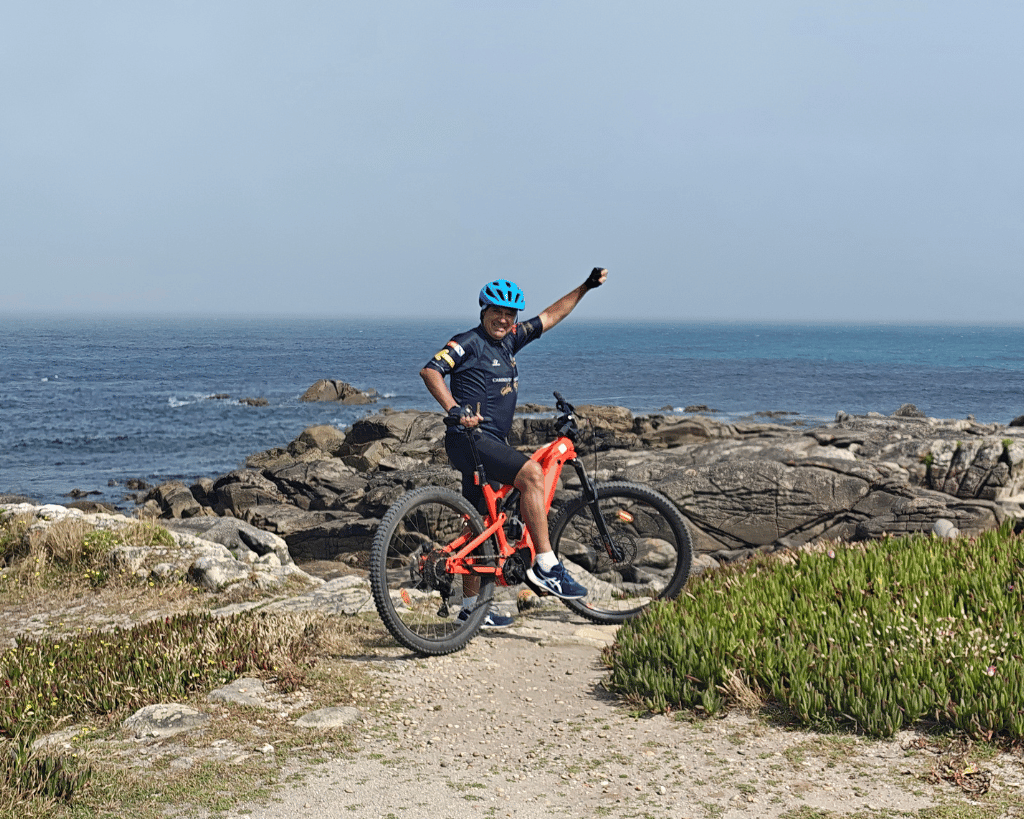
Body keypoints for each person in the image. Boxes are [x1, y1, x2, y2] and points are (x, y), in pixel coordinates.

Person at [420, 267, 608, 628]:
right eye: (497, 312)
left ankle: (471, 610)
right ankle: (547, 566)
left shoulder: (510, 340)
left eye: (509, 314)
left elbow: (551, 315)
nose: (503, 319)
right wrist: (454, 409)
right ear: (484, 311)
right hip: (470, 440)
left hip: (487, 445)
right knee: (533, 475)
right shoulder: (468, 342)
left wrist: (585, 286)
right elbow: (431, 371)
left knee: (478, 529)